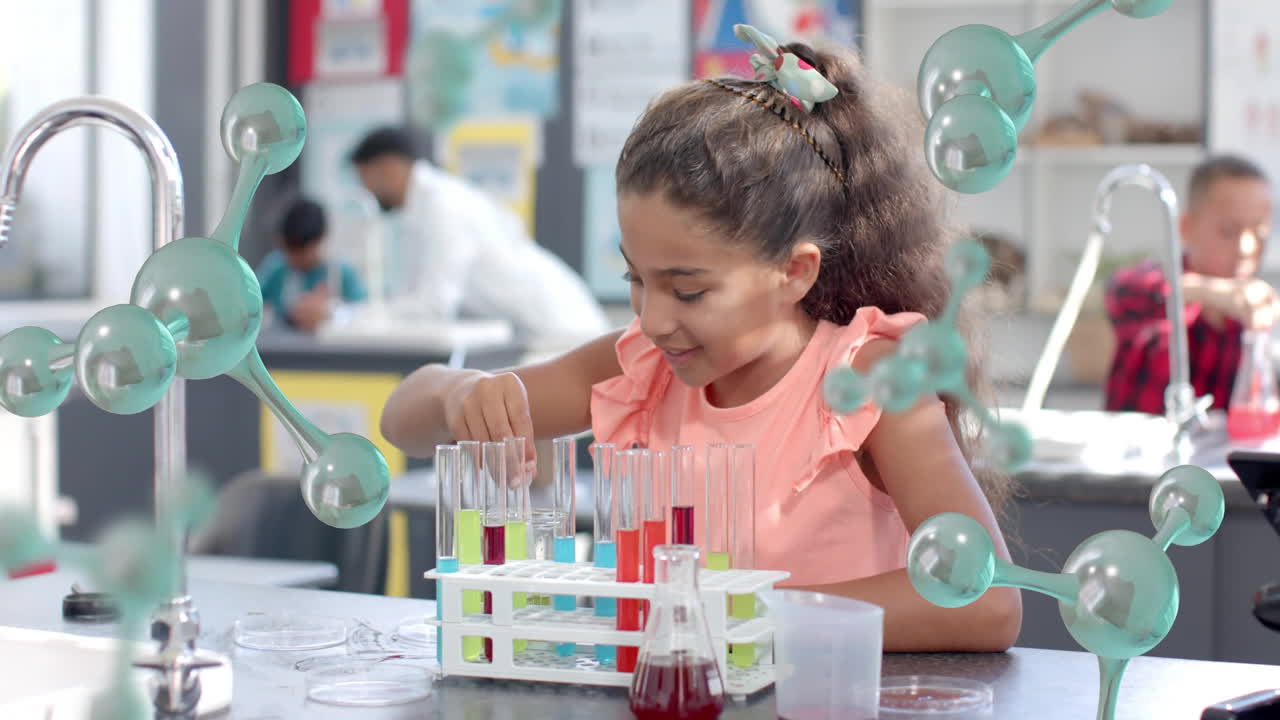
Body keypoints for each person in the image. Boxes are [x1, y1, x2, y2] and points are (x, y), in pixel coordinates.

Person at [379, 27, 1020, 652]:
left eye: (688, 291)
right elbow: (402, 418)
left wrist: (742, 612)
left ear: (794, 271)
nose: (653, 319)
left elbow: (986, 601)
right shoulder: (642, 365)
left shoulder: (872, 381)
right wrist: (459, 396)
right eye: (636, 279)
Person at [349, 127, 610, 345]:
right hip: (532, 332)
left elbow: (434, 306)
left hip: (558, 328)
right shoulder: (420, 211)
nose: (365, 190)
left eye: (365, 177)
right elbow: (412, 297)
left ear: (389, 168)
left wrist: (353, 317)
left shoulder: (444, 206)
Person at [1105, 155, 1277, 414]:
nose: (1246, 248)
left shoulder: (1256, 314)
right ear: (1187, 227)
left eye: (1260, 233)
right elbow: (1122, 291)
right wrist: (1211, 292)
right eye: (1228, 231)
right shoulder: (1157, 289)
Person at [257, 198, 368, 332]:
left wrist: (330, 313)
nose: (295, 258)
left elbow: (365, 314)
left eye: (302, 251)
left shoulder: (341, 274)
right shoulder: (276, 269)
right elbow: (249, 306)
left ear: (321, 240)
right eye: (289, 250)